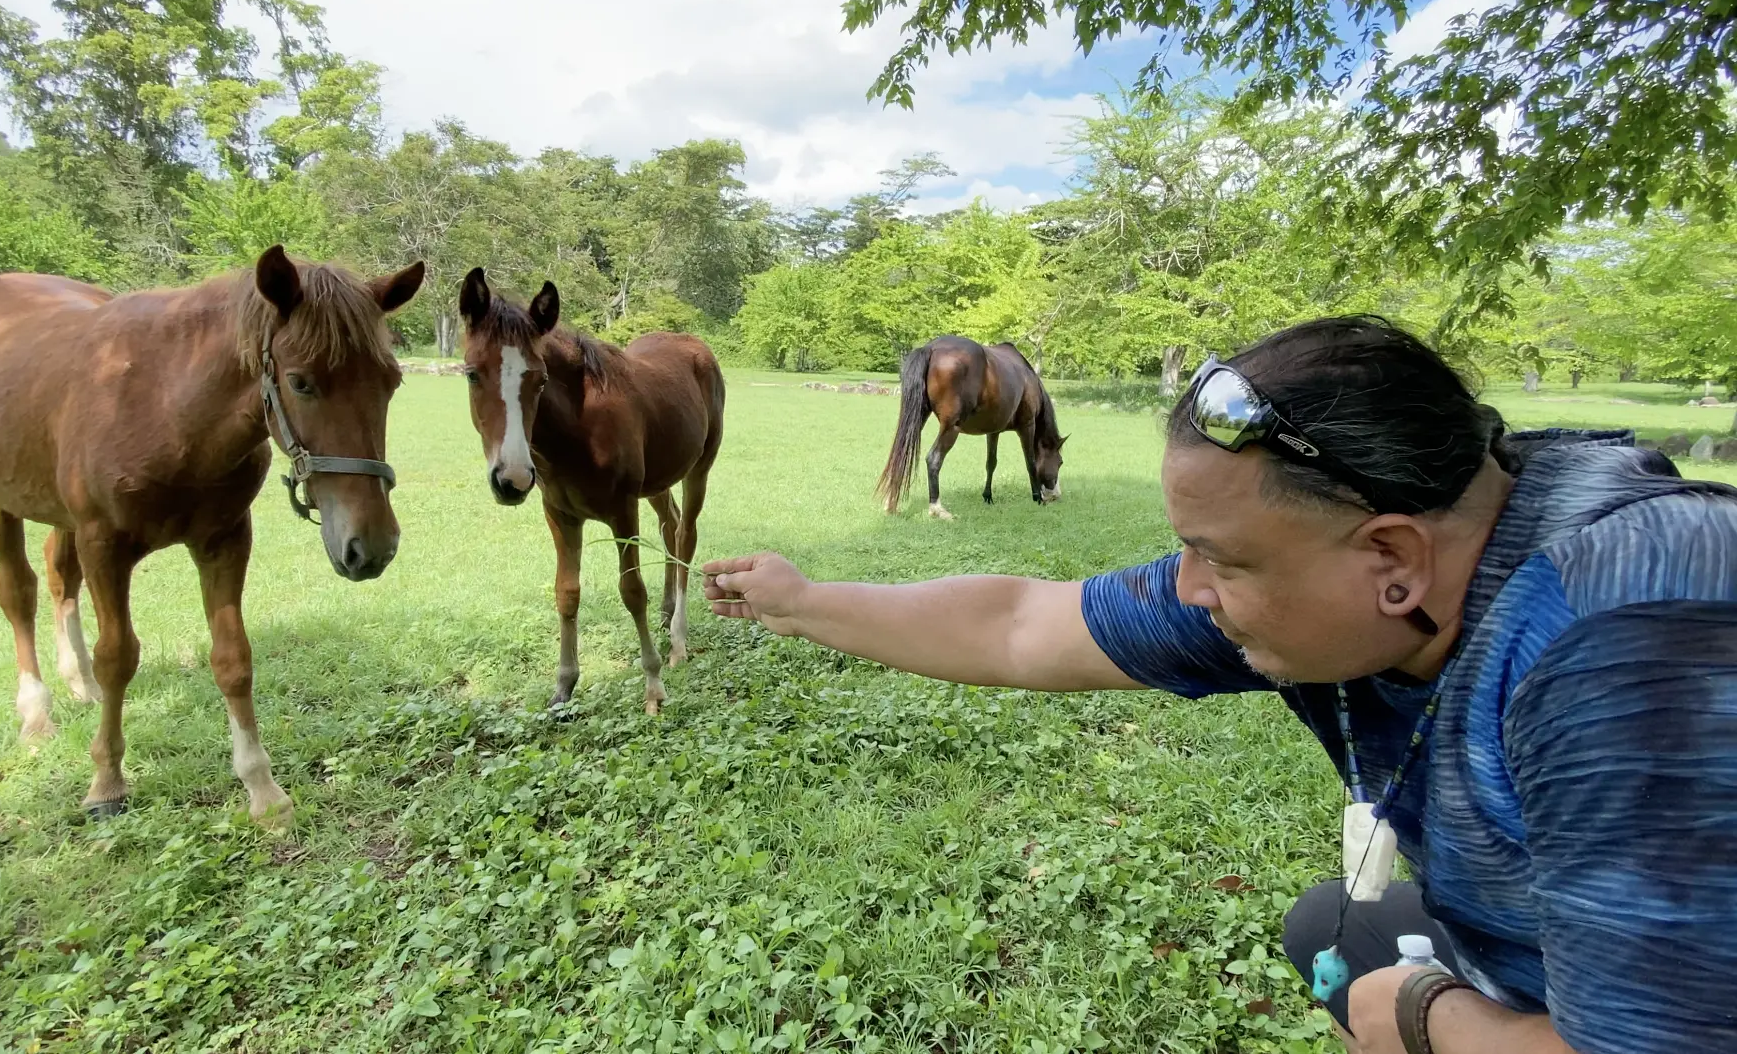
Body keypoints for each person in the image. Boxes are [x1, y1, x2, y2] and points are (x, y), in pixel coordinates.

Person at [700, 316, 1737, 1054]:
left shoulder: (1628, 637)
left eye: (1221, 559)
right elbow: (1023, 624)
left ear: (1395, 560)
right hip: (1547, 951)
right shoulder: (1353, 570)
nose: (1187, 590)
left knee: (1377, 980)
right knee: (1328, 929)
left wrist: (1431, 1018)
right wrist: (802, 601)